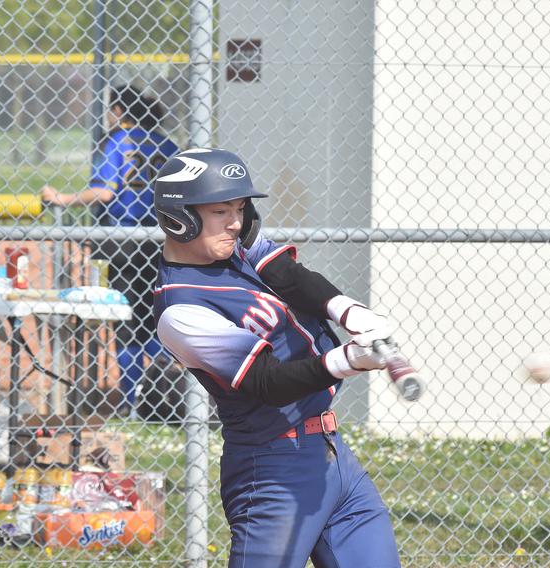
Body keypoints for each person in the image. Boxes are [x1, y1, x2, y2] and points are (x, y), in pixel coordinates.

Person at [152, 148, 402, 567]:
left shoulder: (232, 248)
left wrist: (350, 312)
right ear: (181, 218)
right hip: (271, 467)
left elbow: (289, 277)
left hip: (333, 457)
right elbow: (267, 382)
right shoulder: (182, 310)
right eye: (219, 211)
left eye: (239, 208)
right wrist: (350, 360)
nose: (235, 222)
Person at [41, 85, 178, 414]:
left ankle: (133, 401)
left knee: (127, 321)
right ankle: (161, 398)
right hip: (162, 238)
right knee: (157, 318)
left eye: (109, 108)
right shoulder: (166, 142)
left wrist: (62, 200)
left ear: (119, 110)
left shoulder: (119, 139)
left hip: (123, 242)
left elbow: (104, 191)